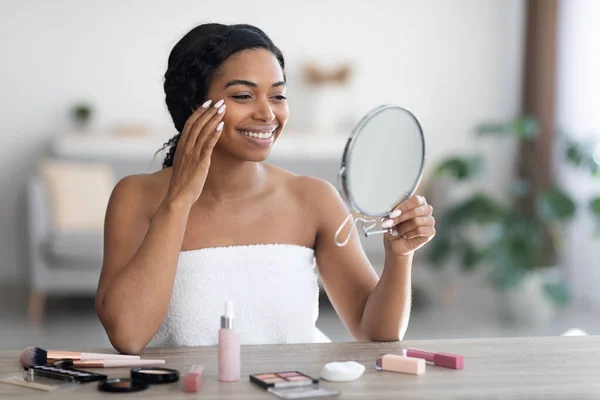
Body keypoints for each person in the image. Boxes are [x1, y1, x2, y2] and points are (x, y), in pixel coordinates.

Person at [95, 23, 435, 355]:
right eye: (243, 95)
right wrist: (179, 200)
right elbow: (128, 336)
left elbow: (375, 332)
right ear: (193, 106)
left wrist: (400, 257)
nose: (267, 113)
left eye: (278, 96)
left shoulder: (313, 199)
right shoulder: (136, 197)